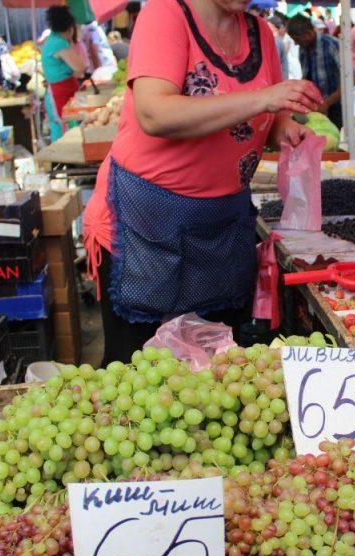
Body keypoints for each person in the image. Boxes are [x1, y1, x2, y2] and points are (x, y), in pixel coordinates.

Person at [81, 0, 321, 363]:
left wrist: (285, 130)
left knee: (218, 362)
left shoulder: (261, 35)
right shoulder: (165, 14)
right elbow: (154, 113)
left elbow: (264, 121)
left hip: (222, 227)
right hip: (147, 226)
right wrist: (263, 99)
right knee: (138, 367)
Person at [287, 15, 341, 127]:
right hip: (314, 109)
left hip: (335, 107)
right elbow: (307, 77)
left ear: (309, 33)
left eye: (297, 39)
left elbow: (349, 81)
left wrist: (326, 103)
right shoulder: (303, 48)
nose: (296, 43)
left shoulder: (331, 45)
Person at [42, 5, 87, 137]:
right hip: (59, 94)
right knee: (64, 132)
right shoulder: (59, 43)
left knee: (61, 130)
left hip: (61, 91)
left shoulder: (53, 40)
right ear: (70, 26)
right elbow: (80, 66)